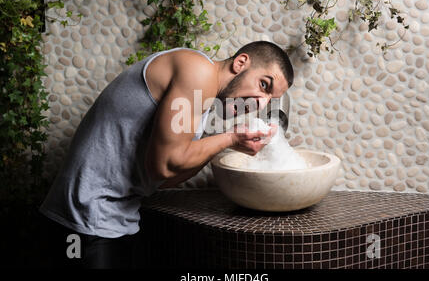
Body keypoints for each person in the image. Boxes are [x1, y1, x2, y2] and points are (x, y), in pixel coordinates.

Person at [39, 40, 294, 268]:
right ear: (241, 63)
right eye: (263, 85)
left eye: (269, 98)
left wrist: (228, 144)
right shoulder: (198, 71)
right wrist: (230, 137)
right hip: (82, 221)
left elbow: (163, 179)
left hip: (114, 220)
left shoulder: (201, 104)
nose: (260, 102)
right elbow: (164, 165)